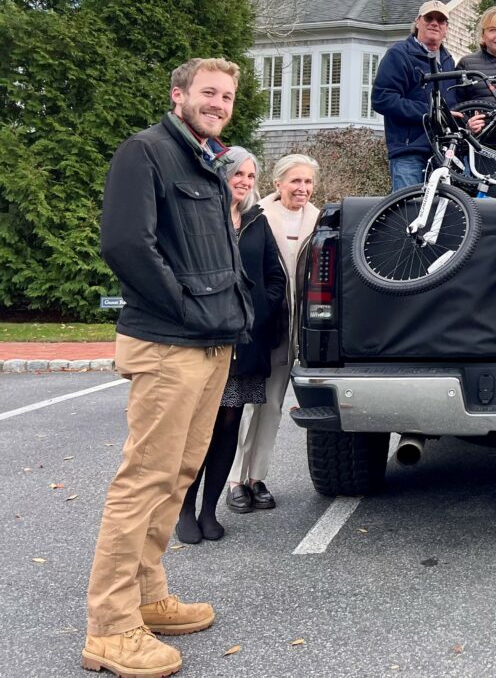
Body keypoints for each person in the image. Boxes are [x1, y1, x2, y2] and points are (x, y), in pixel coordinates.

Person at [84, 58, 251, 676]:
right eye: (207, 92)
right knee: (144, 480)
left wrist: (233, 315)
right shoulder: (146, 151)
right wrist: (186, 311)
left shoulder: (206, 160)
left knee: (178, 474)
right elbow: (126, 244)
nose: (218, 102)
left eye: (227, 95)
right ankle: (109, 625)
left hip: (210, 345)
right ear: (178, 95)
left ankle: (148, 594)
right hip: (169, 345)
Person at [176, 147, 286, 545]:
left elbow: (275, 277)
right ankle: (184, 509)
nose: (243, 181)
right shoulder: (201, 218)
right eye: (236, 173)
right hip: (207, 343)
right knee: (199, 430)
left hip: (247, 343)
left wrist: (257, 310)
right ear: (219, 175)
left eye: (250, 176)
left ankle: (209, 511)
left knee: (228, 426)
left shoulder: (258, 222)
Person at [226, 153, 320, 514]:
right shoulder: (259, 216)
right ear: (278, 183)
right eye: (295, 181)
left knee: (273, 406)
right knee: (245, 404)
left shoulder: (320, 218)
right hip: (263, 325)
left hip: (298, 330)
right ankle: (235, 479)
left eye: (308, 182)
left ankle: (256, 477)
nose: (303, 188)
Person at [372, 0, 457, 191]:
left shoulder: (448, 61)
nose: (434, 23)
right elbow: (382, 99)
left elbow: (453, 105)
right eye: (429, 18)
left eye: (441, 20)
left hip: (442, 155)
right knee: (408, 214)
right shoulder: (399, 54)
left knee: (441, 216)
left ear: (446, 29)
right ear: (418, 21)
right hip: (409, 152)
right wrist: (430, 113)